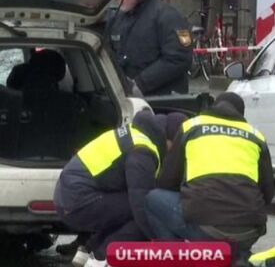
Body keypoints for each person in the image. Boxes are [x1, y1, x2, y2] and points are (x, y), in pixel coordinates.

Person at [146, 92, 275, 266]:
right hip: (248, 232)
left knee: (152, 200)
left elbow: (166, 182)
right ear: (240, 114)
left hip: (206, 231)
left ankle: (179, 261)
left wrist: (193, 189)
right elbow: (268, 194)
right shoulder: (256, 136)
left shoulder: (191, 127)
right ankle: (237, 256)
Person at [54, 110, 188, 267]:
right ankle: (102, 258)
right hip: (77, 201)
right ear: (169, 139)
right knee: (147, 212)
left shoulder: (135, 133)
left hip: (70, 196)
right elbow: (141, 205)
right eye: (177, 148)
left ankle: (88, 251)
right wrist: (161, 242)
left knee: (129, 209)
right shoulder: (142, 150)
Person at [105, 0, 192, 96]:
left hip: (162, 100)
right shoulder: (118, 18)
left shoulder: (168, 16)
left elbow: (179, 58)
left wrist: (140, 84)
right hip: (126, 98)